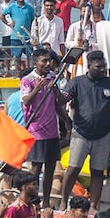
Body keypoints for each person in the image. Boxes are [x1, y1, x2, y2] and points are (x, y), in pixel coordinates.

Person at [60, 51, 110, 211]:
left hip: (103, 135)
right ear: (89, 67)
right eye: (99, 67)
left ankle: (93, 206)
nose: (103, 69)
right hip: (80, 134)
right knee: (73, 169)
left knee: (97, 172)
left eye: (104, 66)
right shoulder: (76, 83)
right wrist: (56, 93)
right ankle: (63, 202)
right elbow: (62, 100)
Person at [21, 48, 71, 208]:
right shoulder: (27, 80)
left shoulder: (53, 78)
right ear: (35, 63)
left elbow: (59, 102)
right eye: (44, 61)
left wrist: (66, 120)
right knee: (36, 167)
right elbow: (26, 101)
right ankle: (32, 200)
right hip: (36, 130)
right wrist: (37, 88)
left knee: (50, 167)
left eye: (49, 61)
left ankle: (46, 201)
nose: (48, 64)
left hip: (52, 130)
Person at [1, 0, 35, 70]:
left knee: (30, 55)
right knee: (17, 56)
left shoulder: (29, 8)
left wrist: (32, 30)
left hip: (27, 36)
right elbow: (1, 15)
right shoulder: (12, 7)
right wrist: (8, 23)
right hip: (16, 36)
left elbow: (33, 20)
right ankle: (18, 72)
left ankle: (30, 70)